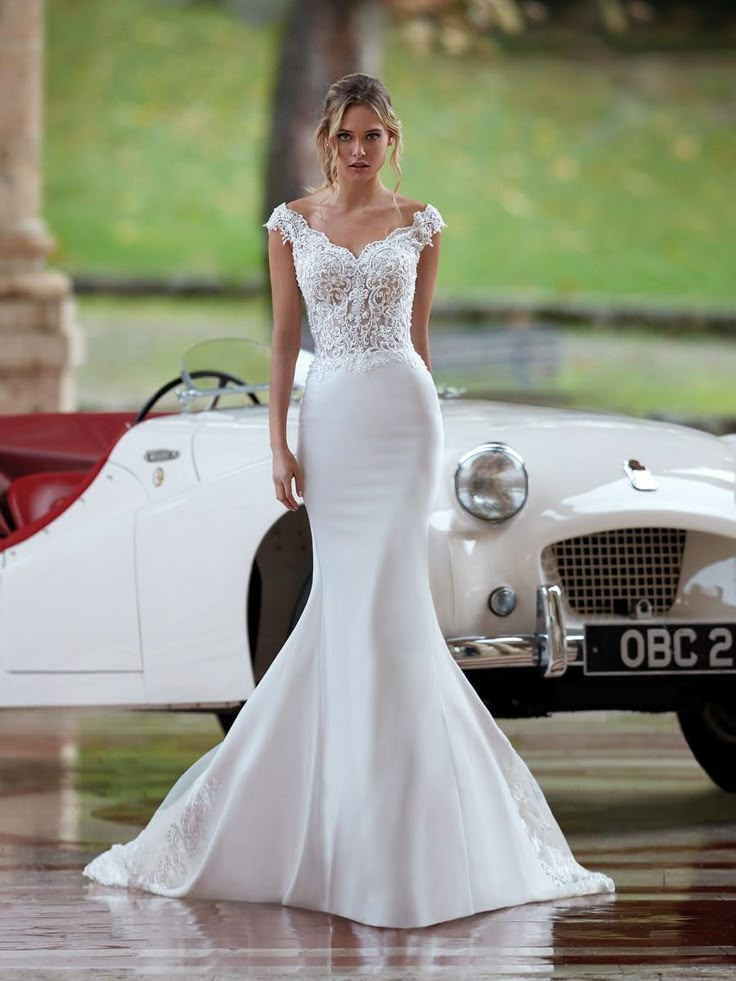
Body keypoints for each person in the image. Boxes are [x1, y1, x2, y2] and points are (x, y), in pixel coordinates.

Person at [83, 73, 614, 929]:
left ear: (390, 140)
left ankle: (404, 840)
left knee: (393, 614)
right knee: (344, 609)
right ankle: (329, 831)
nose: (359, 151)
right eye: (345, 138)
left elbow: (420, 342)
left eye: (372, 137)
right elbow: (286, 334)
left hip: (403, 424)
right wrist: (279, 442)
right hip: (332, 422)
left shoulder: (421, 223)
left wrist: (432, 432)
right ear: (325, 143)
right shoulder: (292, 223)